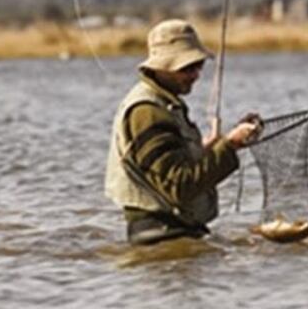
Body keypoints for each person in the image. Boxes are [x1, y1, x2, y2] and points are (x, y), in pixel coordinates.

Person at [105, 19, 261, 245]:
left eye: (199, 66)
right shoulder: (147, 113)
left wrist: (212, 148)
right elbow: (180, 186)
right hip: (161, 239)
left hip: (176, 234)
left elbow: (174, 170)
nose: (196, 74)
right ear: (162, 67)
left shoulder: (164, 104)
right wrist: (230, 146)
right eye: (187, 68)